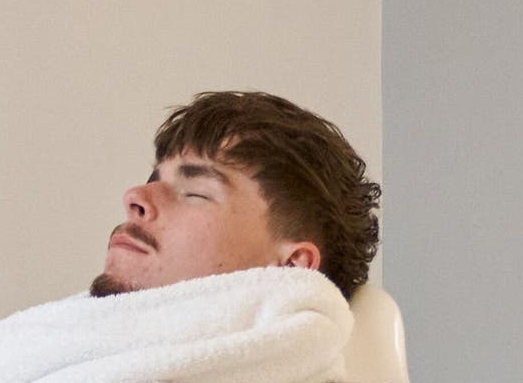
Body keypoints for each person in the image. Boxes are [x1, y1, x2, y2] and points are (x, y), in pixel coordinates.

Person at [91, 91, 381, 300]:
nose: (134, 196)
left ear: (292, 268)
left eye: (195, 193)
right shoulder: (56, 364)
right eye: (152, 180)